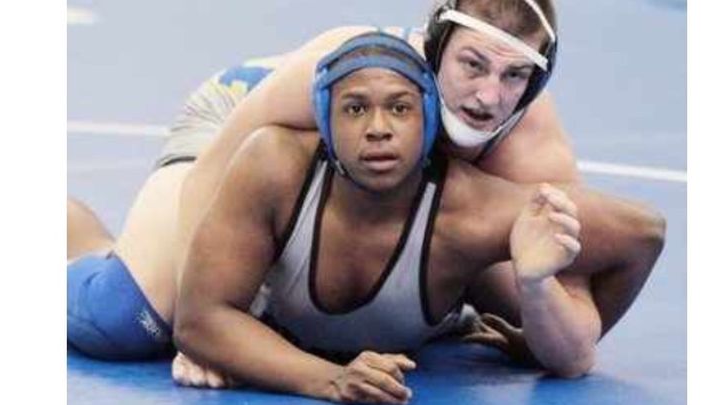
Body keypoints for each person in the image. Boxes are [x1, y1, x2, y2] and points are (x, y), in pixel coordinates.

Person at [66, 0, 664, 366]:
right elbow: (217, 166)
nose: (488, 96)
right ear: (436, 48)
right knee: (129, 320)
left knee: (518, 272)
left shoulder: (531, 144)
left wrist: (539, 308)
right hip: (239, 126)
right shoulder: (350, 69)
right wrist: (206, 326)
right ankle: (71, 232)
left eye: (514, 77)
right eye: (472, 65)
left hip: (382, 202)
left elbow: (577, 322)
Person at [173, 32, 646, 404]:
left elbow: (643, 234)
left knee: (516, 281)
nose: (378, 129)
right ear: (324, 122)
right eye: (355, 110)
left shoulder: (473, 209)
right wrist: (328, 379)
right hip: (232, 106)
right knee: (131, 322)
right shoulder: (272, 163)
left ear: (428, 122)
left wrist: (535, 338)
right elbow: (199, 320)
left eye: (400, 109)